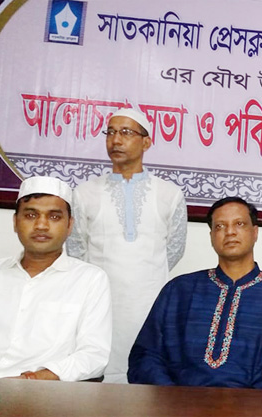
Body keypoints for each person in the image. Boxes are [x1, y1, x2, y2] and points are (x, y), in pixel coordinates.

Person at [127, 197, 262, 389]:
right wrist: (174, 399)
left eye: (239, 224)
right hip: (180, 406)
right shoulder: (178, 291)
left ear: (255, 232)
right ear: (211, 236)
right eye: (220, 226)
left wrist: (256, 407)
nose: (230, 232)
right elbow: (145, 356)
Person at [66, 108, 187, 383]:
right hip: (100, 307)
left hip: (149, 305)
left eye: (126, 132)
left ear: (146, 142)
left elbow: (174, 249)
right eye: (110, 132)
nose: (116, 140)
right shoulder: (84, 193)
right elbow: (77, 250)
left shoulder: (170, 194)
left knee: (146, 382)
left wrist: (144, 276)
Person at [0, 176, 112, 381]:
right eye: (31, 215)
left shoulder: (90, 280)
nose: (41, 225)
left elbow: (93, 357)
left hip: (40, 396)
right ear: (15, 222)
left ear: (69, 225)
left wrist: (31, 380)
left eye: (54, 217)